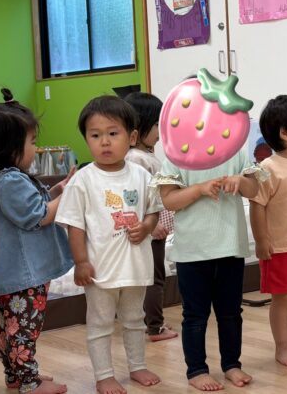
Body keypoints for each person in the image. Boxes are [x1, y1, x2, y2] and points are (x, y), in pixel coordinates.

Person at [56, 96, 162, 394]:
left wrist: (147, 227)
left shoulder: (141, 175)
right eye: (95, 135)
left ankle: (137, 366)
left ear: (132, 137)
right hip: (99, 271)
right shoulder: (83, 180)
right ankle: (104, 375)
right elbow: (74, 226)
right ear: (86, 139)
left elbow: (153, 211)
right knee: (100, 323)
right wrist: (81, 262)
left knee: (135, 319)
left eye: (113, 133)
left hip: (135, 267)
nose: (104, 141)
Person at [0, 91, 73, 394]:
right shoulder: (10, 180)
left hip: (8, 272)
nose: (36, 148)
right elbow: (38, 216)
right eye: (32, 142)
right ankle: (29, 381)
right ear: (10, 147)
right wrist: (68, 196)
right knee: (25, 328)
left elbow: (32, 205)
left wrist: (57, 191)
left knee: (8, 327)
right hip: (24, 274)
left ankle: (16, 376)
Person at [151, 119, 266, 391]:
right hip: (192, 252)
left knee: (230, 313)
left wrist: (241, 181)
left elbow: (254, 189)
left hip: (230, 247)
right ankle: (196, 370)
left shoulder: (235, 151)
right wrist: (199, 189)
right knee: (195, 314)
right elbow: (169, 200)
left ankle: (232, 364)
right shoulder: (177, 156)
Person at [249, 95, 287, 366]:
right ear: (286, 133)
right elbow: (257, 205)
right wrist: (261, 240)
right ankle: (283, 347)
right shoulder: (268, 168)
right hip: (280, 247)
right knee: (283, 298)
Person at [123, 91, 177, 342]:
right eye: (157, 124)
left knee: (152, 276)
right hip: (149, 229)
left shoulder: (143, 156)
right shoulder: (136, 159)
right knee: (154, 278)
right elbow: (134, 199)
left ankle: (150, 323)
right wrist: (151, 226)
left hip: (152, 227)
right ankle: (155, 326)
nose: (160, 131)